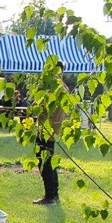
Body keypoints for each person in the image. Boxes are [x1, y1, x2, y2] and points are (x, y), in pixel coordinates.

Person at [34, 61, 67, 205]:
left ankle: (50, 196)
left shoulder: (55, 90)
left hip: (47, 131)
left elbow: (42, 108)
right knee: (49, 163)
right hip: (51, 131)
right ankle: (53, 194)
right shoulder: (62, 88)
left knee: (45, 163)